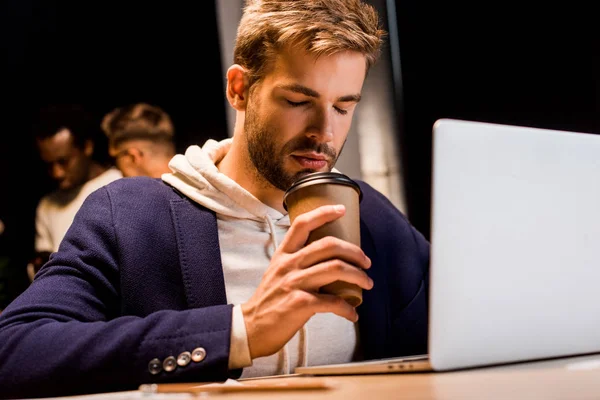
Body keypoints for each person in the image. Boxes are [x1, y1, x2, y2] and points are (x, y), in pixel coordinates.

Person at [0, 1, 430, 398]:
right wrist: (239, 330)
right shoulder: (130, 215)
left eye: (343, 106)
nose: (326, 133)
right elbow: (14, 351)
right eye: (299, 100)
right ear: (239, 89)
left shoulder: (370, 216)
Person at [26, 104, 123, 280]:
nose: (57, 173)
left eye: (63, 162)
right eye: (49, 164)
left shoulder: (120, 183)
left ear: (87, 147)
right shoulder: (47, 205)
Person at [101, 102, 176, 178]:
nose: (118, 170)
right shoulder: (187, 181)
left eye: (115, 160)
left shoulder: (126, 189)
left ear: (133, 156)